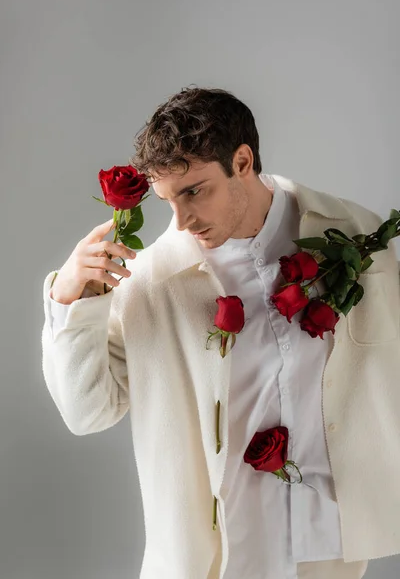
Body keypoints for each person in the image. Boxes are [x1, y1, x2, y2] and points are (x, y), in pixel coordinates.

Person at [41, 86, 400, 579]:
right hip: (217, 554)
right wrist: (69, 297)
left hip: (329, 543)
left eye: (194, 191)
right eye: (169, 200)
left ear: (243, 161)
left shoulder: (354, 234)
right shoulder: (152, 286)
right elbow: (87, 412)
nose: (184, 220)